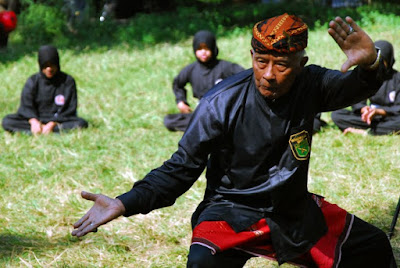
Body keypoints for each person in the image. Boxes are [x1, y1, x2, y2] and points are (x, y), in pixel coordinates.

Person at [72, 14, 397, 267]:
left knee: (372, 247)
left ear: (302, 64)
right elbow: (181, 168)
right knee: (202, 263)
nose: (269, 73)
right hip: (230, 210)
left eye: (282, 65)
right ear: (251, 55)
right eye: (261, 61)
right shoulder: (219, 103)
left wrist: (370, 65)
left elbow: (353, 87)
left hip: (292, 209)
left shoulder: (311, 84)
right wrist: (125, 201)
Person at [164, 30, 245, 132]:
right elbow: (177, 84)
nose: (203, 52)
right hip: (203, 112)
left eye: (206, 48)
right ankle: (208, 127)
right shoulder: (191, 70)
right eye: (199, 49)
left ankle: (210, 128)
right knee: (169, 121)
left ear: (213, 48)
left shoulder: (225, 67)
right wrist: (181, 101)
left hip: (224, 111)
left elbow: (245, 77)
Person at [2, 45, 88, 134]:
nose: (49, 69)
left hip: (58, 120)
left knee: (81, 123)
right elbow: (26, 106)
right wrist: (34, 121)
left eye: (52, 65)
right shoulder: (33, 81)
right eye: (45, 66)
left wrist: (52, 123)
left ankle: (46, 130)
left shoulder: (67, 81)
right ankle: (40, 129)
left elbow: (69, 109)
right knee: (7, 121)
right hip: (37, 118)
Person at [331, 40, 400, 135]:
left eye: (382, 61)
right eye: (376, 60)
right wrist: (365, 109)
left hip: (388, 117)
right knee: (337, 114)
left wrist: (379, 111)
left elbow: (398, 107)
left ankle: (365, 132)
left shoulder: (397, 79)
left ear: (389, 61)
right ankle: (374, 130)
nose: (379, 65)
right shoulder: (369, 76)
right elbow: (358, 99)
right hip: (369, 117)